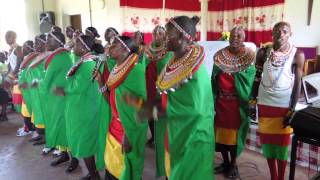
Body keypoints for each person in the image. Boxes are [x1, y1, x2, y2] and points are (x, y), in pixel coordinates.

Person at [126, 16, 214, 179]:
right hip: (175, 133)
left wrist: (146, 108)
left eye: (168, 33)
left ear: (182, 37)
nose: (163, 37)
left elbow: (194, 111)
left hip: (193, 140)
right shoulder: (174, 61)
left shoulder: (196, 73)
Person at [250, 22, 304, 180]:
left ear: (290, 34)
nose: (280, 34)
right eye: (277, 31)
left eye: (284, 31)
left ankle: (281, 177)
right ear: (271, 34)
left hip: (283, 107)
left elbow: (298, 85)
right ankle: (274, 176)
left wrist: (292, 109)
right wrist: (252, 102)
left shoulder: (297, 55)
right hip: (265, 105)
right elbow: (256, 79)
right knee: (267, 143)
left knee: (281, 146)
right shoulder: (262, 53)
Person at [95, 35, 147, 180]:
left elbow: (141, 107)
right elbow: (112, 101)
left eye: (113, 45)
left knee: (125, 171)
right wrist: (100, 83)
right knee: (111, 170)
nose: (108, 47)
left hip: (127, 130)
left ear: (124, 48)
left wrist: (128, 134)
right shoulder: (117, 69)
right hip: (113, 127)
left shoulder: (135, 70)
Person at [55, 35, 105, 180]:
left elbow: (78, 87)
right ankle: (91, 173)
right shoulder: (83, 61)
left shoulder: (88, 64)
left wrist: (63, 89)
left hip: (85, 110)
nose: (73, 47)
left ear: (83, 47)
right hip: (80, 107)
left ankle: (94, 176)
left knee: (85, 144)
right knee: (84, 142)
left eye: (76, 44)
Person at [212, 26, 256, 178]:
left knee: (233, 139)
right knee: (220, 137)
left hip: (236, 105)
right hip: (221, 103)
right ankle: (225, 163)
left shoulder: (248, 57)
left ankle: (234, 165)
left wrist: (235, 72)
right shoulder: (220, 55)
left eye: (238, 35)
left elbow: (250, 77)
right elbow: (214, 75)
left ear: (243, 39)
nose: (235, 38)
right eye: (232, 35)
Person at [36, 31, 78, 172]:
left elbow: (47, 80)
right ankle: (65, 155)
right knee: (61, 127)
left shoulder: (59, 57)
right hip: (58, 98)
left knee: (65, 129)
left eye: (49, 40)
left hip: (61, 99)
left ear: (57, 41)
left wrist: (38, 82)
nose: (46, 42)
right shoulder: (60, 55)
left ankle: (75, 159)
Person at [144, 25, 173, 148]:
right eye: (155, 34)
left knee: (161, 113)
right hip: (148, 86)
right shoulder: (147, 50)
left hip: (162, 87)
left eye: (160, 33)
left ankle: (162, 137)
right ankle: (154, 137)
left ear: (165, 35)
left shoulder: (169, 51)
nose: (157, 36)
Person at [24, 34, 50, 145]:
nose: (34, 45)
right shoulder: (37, 55)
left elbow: (45, 74)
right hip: (34, 90)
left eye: (37, 43)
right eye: (34, 43)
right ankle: (41, 135)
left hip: (42, 90)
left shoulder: (47, 56)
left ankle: (48, 139)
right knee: (38, 114)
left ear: (45, 44)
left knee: (44, 115)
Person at [17, 40, 37, 137]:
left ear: (29, 48)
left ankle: (32, 129)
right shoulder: (26, 58)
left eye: (24, 46)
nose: (22, 48)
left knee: (30, 110)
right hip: (25, 89)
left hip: (30, 89)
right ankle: (29, 127)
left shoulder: (32, 59)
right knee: (25, 110)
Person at [5, 31, 23, 114]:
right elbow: (10, 65)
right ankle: (26, 124)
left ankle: (28, 125)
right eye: (6, 37)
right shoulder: (10, 50)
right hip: (13, 77)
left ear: (15, 37)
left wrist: (11, 75)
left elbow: (19, 64)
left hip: (19, 77)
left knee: (22, 101)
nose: (7, 39)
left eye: (9, 36)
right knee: (16, 101)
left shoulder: (18, 48)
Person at [0, 51, 9, 121]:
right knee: (4, 101)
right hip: (1, 87)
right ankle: (4, 116)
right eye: (3, 56)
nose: (4, 58)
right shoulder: (3, 65)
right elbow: (5, 76)